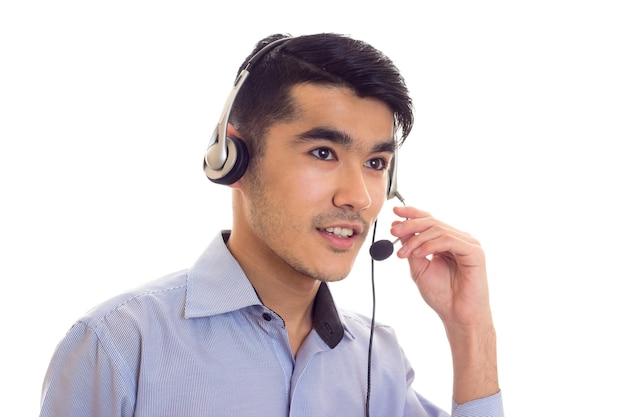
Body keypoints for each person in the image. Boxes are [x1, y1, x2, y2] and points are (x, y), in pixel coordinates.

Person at [39, 33, 504, 417]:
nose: (359, 197)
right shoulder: (119, 346)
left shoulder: (377, 360)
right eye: (323, 153)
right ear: (231, 158)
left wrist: (471, 330)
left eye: (376, 162)